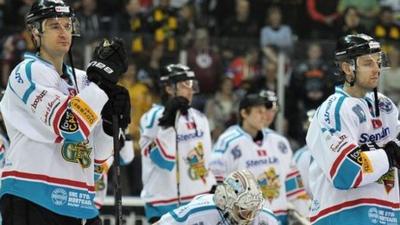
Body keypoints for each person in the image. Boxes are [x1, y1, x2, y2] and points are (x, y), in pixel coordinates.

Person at [0, 0, 131, 224]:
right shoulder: (28, 71)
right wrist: (100, 85)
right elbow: (69, 126)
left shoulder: (83, 79)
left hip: (78, 200)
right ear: (35, 31)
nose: (64, 32)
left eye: (67, 25)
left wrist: (110, 124)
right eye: (54, 26)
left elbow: (97, 156)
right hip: (32, 194)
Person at [306, 33, 400, 225]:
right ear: (347, 68)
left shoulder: (385, 106)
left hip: (387, 214)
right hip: (343, 216)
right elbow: (346, 172)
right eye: (368, 63)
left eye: (378, 61)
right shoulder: (333, 109)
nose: (377, 69)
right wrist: (389, 156)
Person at [209, 91, 307, 225]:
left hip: (279, 217)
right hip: (248, 220)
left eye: (265, 111)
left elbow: (294, 186)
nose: (265, 115)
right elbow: (216, 184)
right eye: (259, 112)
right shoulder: (228, 142)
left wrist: (304, 214)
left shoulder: (279, 142)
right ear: (244, 113)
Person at [139, 64, 216, 223]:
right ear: (168, 88)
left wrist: (211, 185)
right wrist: (168, 124)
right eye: (184, 86)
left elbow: (206, 160)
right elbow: (163, 160)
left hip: (197, 202)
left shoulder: (200, 118)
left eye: (191, 85)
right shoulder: (152, 118)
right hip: (162, 204)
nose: (190, 91)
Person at [155, 169, 279, 225]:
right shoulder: (199, 212)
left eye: (253, 206)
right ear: (224, 200)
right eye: (244, 207)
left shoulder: (266, 218)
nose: (250, 213)